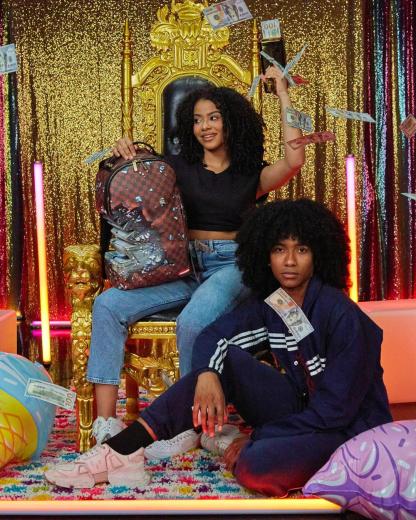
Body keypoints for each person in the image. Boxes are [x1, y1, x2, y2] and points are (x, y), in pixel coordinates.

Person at [46, 199, 392, 495]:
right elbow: (213, 336)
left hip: (348, 430)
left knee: (256, 466)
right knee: (219, 363)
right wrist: (208, 373)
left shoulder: (342, 315)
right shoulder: (276, 304)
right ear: (265, 255)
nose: (289, 261)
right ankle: (122, 450)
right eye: (279, 249)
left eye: (301, 250)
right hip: (302, 411)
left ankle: (295, 456)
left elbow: (334, 412)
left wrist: (258, 438)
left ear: (318, 255)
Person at [87, 66, 305, 445]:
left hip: (232, 266)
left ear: (231, 122)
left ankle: (192, 426)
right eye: (198, 120)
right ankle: (105, 423)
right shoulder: (176, 168)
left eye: (214, 117)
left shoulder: (250, 173)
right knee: (107, 305)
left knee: (193, 321)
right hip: (181, 266)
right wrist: (124, 152)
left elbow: (295, 159)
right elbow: (137, 176)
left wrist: (284, 93)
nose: (205, 126)